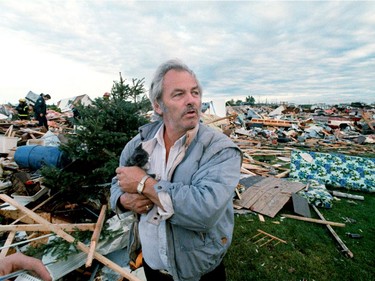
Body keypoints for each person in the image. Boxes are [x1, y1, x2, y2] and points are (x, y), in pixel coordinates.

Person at [111, 59, 242, 281]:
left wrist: (145, 185)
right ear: (157, 105)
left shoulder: (220, 150)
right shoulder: (139, 145)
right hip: (152, 267)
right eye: (179, 94)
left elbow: (204, 212)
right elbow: (117, 183)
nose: (191, 101)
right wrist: (124, 201)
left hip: (198, 271)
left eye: (195, 92)